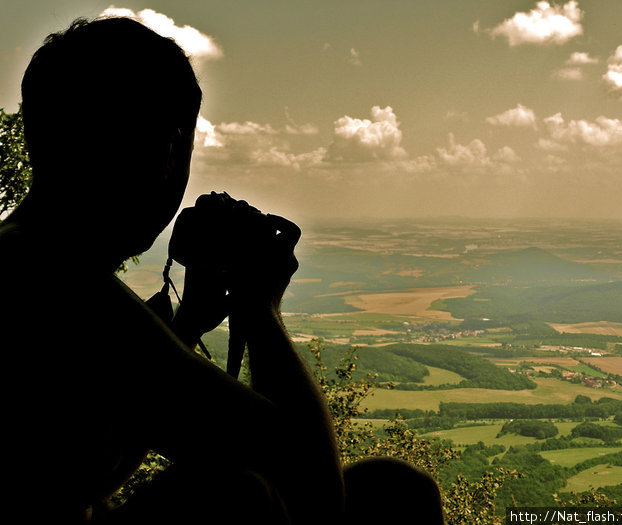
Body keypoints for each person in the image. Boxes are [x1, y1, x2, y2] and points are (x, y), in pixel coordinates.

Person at [0, 16, 443, 524]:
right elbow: (313, 485)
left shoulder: (25, 258)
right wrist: (261, 310)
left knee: (393, 489)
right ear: (168, 149)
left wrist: (187, 325)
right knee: (252, 494)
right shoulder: (61, 287)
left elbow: (89, 453)